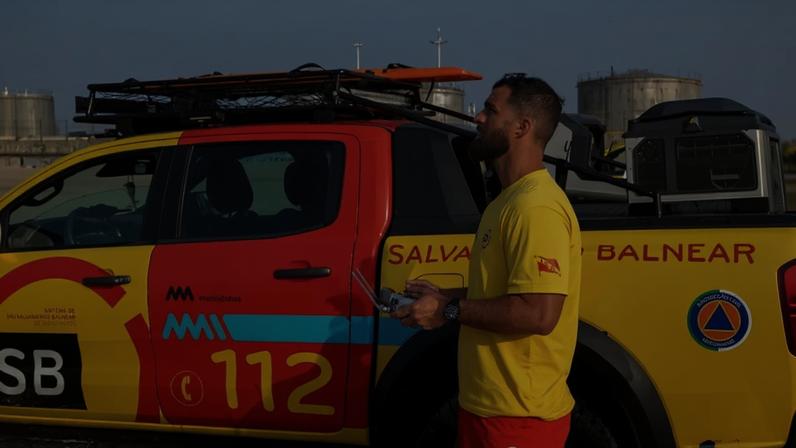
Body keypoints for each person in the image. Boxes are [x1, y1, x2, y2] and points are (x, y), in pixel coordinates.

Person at [391, 74, 582, 448]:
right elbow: (505, 291)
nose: (478, 118)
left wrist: (448, 311)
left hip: (519, 418)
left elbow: (538, 314)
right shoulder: (506, 202)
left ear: (522, 127)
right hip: (489, 409)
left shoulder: (536, 207)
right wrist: (445, 297)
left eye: (491, 111)